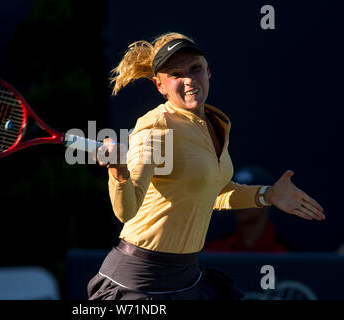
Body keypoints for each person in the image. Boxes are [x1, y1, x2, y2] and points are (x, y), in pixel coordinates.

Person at [88, 32, 325, 300]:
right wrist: (118, 171)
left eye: (195, 68)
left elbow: (214, 192)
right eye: (176, 74)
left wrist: (266, 195)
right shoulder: (155, 128)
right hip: (139, 279)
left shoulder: (215, 123)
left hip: (186, 276)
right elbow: (126, 211)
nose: (189, 80)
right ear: (159, 86)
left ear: (208, 71)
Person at [205, 165, 292, 253]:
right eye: (235, 196)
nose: (240, 202)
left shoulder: (285, 253)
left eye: (250, 196)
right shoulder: (215, 250)